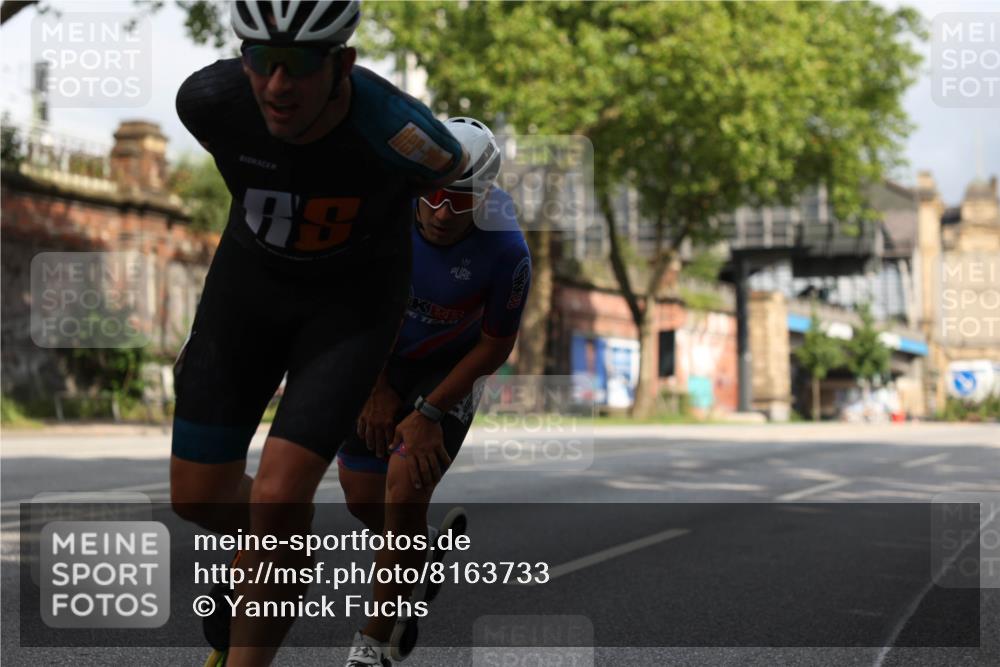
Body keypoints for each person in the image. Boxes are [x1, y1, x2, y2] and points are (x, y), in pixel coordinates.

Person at [169, 1, 468, 665]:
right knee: (195, 495)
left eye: (300, 64)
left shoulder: (403, 134)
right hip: (247, 292)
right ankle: (285, 540)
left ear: (343, 65)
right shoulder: (209, 102)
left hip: (350, 308)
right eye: (261, 60)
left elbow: (450, 186)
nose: (278, 85)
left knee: (276, 495)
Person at [336, 117, 532, 666]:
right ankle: (420, 549)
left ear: (485, 197)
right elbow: (350, 308)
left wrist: (428, 411)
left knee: (405, 481)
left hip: (448, 367)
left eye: (463, 200)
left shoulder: (506, 249)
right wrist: (375, 388)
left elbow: (495, 345)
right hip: (380, 350)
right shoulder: (380, 212)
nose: (444, 212)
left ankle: (372, 648)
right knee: (360, 497)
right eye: (435, 195)